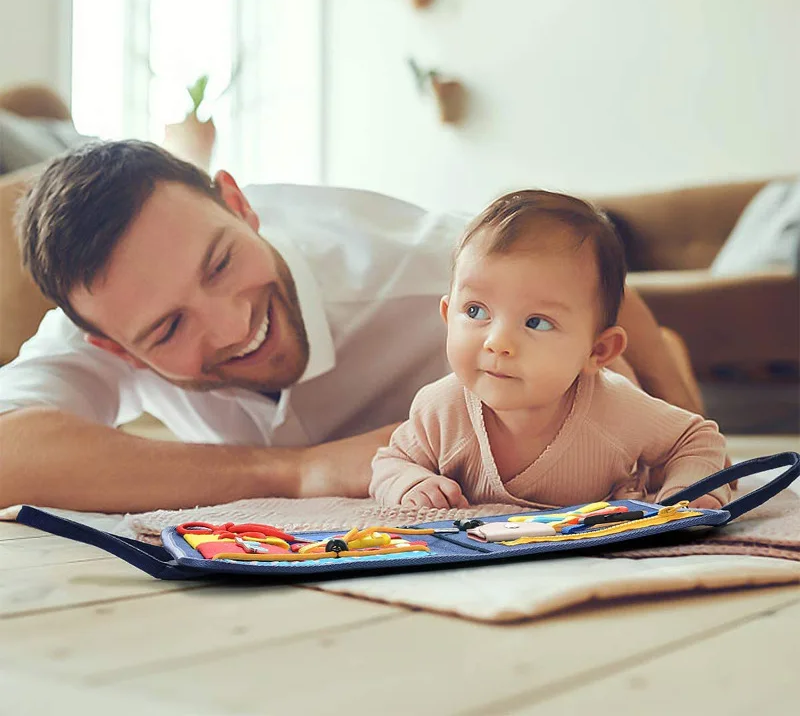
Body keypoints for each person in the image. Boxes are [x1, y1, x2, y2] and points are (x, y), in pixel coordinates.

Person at [0, 141, 704, 513]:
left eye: (220, 264)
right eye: (167, 329)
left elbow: (587, 282)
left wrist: (675, 407)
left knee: (611, 388)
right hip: (434, 448)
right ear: (112, 347)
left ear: (239, 205)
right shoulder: (101, 315)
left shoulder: (416, 265)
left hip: (522, 388)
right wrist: (294, 473)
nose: (233, 323)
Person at [370, 190, 729, 510]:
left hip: (613, 386)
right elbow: (389, 463)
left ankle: (662, 352)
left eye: (536, 322)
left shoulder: (618, 410)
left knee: (651, 434)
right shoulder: (441, 409)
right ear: (448, 316)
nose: (497, 342)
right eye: (476, 311)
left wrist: (689, 490)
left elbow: (697, 439)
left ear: (598, 350)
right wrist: (411, 482)